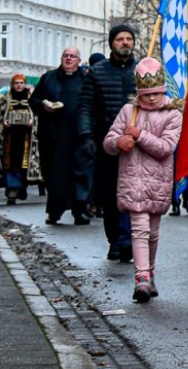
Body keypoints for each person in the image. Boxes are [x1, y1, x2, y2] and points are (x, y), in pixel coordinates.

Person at [102, 58, 182, 302]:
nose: (150, 99)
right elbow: (109, 141)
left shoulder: (172, 114)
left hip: (157, 182)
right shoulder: (129, 112)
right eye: (146, 94)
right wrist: (118, 143)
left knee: (153, 232)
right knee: (139, 229)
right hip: (132, 180)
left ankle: (150, 272)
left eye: (155, 93)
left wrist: (140, 135)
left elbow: (166, 147)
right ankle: (141, 278)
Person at [77, 24, 140, 260]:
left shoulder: (143, 70)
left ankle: (132, 240)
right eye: (120, 39)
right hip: (108, 142)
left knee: (135, 193)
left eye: (128, 39)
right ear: (112, 43)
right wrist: (86, 135)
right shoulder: (98, 72)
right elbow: (86, 107)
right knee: (111, 193)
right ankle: (115, 239)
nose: (125, 43)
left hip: (137, 142)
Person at [31, 49, 86, 224]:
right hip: (52, 135)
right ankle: (54, 211)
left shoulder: (86, 79)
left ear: (79, 60)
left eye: (72, 56)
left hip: (77, 134)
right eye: (66, 56)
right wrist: (43, 106)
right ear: (61, 58)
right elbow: (34, 100)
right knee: (53, 174)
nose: (69, 59)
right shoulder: (49, 77)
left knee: (78, 173)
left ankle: (80, 210)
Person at [1, 74, 35, 204]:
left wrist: (32, 121)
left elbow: (36, 113)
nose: (19, 85)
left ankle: (22, 186)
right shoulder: (6, 98)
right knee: (11, 163)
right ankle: (12, 190)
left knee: (23, 163)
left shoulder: (30, 97)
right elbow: (1, 113)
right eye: (16, 83)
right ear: (12, 84)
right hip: (10, 136)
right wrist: (4, 122)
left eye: (21, 83)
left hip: (26, 136)